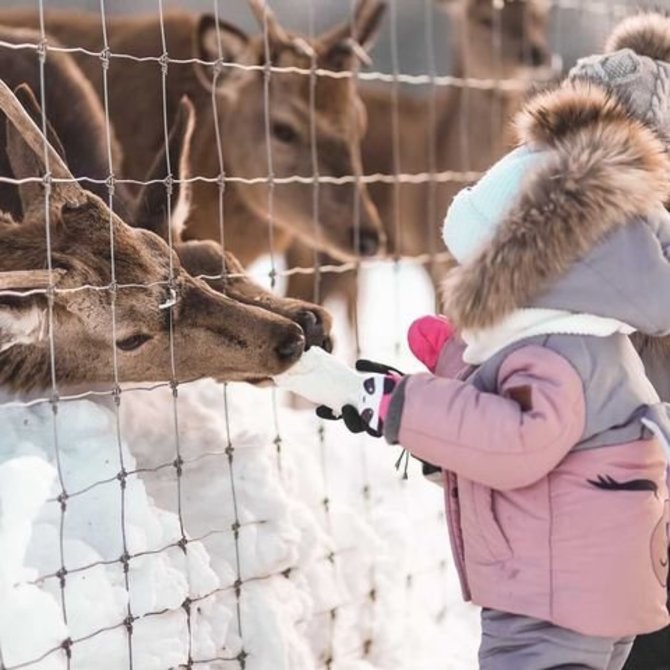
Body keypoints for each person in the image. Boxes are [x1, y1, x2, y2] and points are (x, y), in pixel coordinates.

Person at [275, 38, 670, 670]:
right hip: (577, 576)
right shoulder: (592, 320)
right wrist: (456, 383)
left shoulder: (571, 338)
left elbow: (521, 438)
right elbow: (543, 420)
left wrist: (402, 406)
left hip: (556, 598)